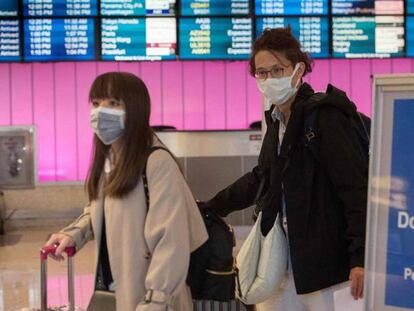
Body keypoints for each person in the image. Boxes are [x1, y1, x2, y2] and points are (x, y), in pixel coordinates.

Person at [203, 27, 367, 310]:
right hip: (280, 260)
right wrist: (211, 207)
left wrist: (360, 258)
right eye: (262, 73)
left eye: (277, 70)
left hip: (327, 267)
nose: (269, 79)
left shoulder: (326, 116)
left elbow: (355, 190)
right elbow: (263, 177)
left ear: (298, 69)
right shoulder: (276, 120)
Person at [44, 72, 208, 311]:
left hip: (151, 299)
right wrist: (75, 233)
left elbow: (171, 241)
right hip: (116, 291)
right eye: (97, 103)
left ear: (135, 109)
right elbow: (104, 209)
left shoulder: (155, 161)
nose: (101, 111)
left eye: (113, 103)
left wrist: (156, 301)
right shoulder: (111, 158)